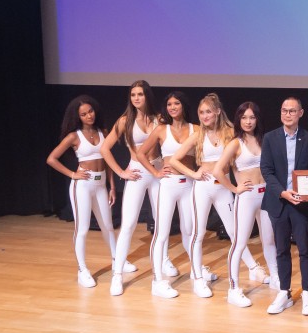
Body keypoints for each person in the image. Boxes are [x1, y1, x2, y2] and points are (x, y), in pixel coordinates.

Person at [170, 93, 265, 299]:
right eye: (201, 112)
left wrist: (235, 187)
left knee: (235, 232)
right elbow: (174, 160)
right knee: (198, 233)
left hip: (223, 188)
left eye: (208, 112)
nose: (205, 116)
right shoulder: (198, 135)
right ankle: (198, 278)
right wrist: (194, 174)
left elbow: (241, 158)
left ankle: (253, 268)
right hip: (203, 188)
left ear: (218, 112)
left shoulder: (230, 132)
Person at [99, 80, 177, 296]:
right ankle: (117, 275)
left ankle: (164, 259)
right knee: (129, 224)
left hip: (158, 170)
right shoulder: (125, 121)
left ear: (147, 96)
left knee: (162, 220)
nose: (136, 98)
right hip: (137, 172)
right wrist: (121, 172)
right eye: (133, 94)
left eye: (140, 94)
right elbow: (104, 148)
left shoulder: (160, 119)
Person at [45, 95, 120, 288]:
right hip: (83, 186)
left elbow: (108, 162)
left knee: (108, 225)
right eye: (84, 114)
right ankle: (82, 269)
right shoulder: (74, 136)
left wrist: (112, 187)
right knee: (83, 228)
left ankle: (117, 260)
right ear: (77, 117)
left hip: (101, 184)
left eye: (90, 111)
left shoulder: (103, 132)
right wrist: (72, 174)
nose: (89, 116)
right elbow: (51, 159)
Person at [213, 100, 279, 307]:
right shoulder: (235, 143)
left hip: (265, 194)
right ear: (238, 119)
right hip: (247, 197)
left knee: (269, 240)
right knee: (240, 243)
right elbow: (217, 171)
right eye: (244, 117)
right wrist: (234, 189)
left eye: (252, 117)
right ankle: (233, 289)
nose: (248, 121)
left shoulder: (263, 140)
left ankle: (276, 277)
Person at [260, 96, 308, 316]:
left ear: (300, 113)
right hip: (279, 201)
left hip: (302, 203)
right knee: (282, 250)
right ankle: (284, 292)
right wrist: (283, 193)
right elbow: (266, 170)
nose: (287, 114)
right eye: (284, 110)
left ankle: (307, 292)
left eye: (292, 111)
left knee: (305, 249)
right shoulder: (270, 138)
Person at [136, 90, 197, 298]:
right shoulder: (162, 130)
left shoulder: (196, 129)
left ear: (183, 105)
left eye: (176, 103)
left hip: (189, 184)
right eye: (169, 104)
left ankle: (197, 271)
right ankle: (157, 281)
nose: (172, 107)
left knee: (190, 231)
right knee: (161, 233)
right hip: (168, 185)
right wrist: (155, 172)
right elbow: (140, 153)